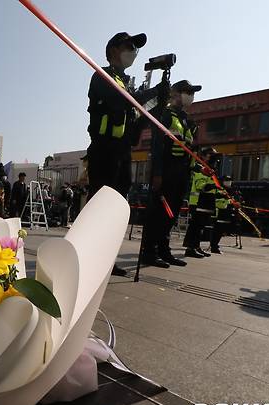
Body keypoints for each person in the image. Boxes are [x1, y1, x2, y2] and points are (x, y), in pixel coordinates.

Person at [87, 32, 164, 276]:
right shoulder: (102, 76)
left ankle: (107, 259)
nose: (132, 51)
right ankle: (88, 257)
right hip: (104, 150)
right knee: (99, 205)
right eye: (128, 46)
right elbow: (121, 100)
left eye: (135, 48)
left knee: (116, 208)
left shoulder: (127, 83)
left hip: (122, 151)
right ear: (113, 50)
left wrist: (159, 101)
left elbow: (137, 118)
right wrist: (150, 93)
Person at [141, 80, 203, 268]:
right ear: (175, 93)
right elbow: (157, 146)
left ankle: (163, 250)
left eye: (192, 92)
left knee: (171, 215)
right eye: (187, 92)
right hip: (166, 170)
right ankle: (149, 252)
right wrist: (157, 174)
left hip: (182, 172)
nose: (190, 96)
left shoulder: (186, 119)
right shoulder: (165, 114)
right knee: (158, 213)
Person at [183, 147, 218, 258]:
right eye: (210, 154)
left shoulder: (211, 169)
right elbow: (200, 186)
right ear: (203, 156)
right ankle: (190, 248)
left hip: (207, 202)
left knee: (201, 227)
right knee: (196, 227)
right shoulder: (202, 168)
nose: (213, 157)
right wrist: (214, 185)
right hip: (199, 202)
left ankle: (196, 247)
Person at [210, 176, 236, 254]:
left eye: (229, 180)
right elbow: (218, 202)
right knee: (217, 231)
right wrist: (229, 202)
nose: (228, 182)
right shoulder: (220, 189)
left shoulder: (230, 190)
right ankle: (214, 247)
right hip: (219, 214)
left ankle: (215, 246)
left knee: (220, 231)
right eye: (226, 180)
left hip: (226, 214)